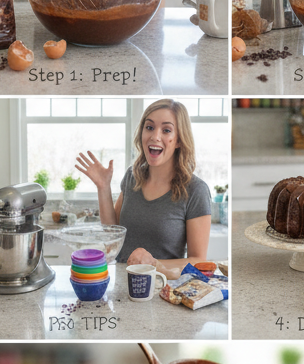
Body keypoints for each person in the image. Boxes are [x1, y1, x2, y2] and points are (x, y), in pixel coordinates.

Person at [75, 99, 211, 275]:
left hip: (163, 289)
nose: (155, 136)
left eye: (166, 130)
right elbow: (113, 233)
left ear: (178, 140)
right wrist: (103, 187)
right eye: (149, 127)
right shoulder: (132, 176)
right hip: (123, 285)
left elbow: (199, 261)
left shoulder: (195, 190)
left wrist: (153, 263)